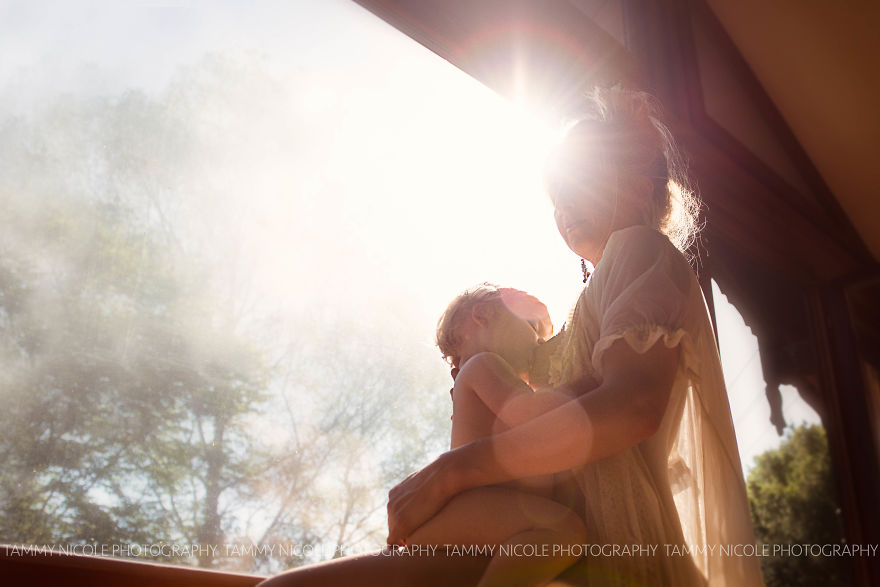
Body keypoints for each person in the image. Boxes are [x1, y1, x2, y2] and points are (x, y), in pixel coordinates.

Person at [260, 86, 765, 586]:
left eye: (579, 182)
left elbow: (631, 406)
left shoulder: (638, 250)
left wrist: (454, 471)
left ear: (637, 186)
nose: (563, 206)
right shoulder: (589, 309)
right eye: (555, 196)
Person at [404, 284, 591, 587]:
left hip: (481, 516)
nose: (538, 345)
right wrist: (592, 384)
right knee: (564, 533)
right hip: (461, 511)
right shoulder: (482, 365)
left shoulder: (495, 380)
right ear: (483, 315)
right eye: (533, 330)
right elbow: (533, 414)